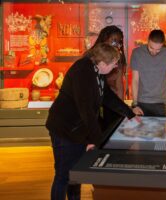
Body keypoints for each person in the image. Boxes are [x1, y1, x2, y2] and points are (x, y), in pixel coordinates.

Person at [46, 43, 139, 200]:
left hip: (78, 128)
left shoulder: (97, 69)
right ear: (103, 63)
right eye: (114, 64)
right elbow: (86, 111)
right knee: (63, 174)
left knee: (75, 174)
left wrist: (129, 113)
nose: (115, 67)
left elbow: (107, 96)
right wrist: (95, 141)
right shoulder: (82, 71)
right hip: (64, 129)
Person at [130, 29, 166, 117]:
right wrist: (134, 104)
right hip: (141, 102)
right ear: (148, 41)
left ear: (163, 44)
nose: (154, 52)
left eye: (158, 50)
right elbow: (135, 80)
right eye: (151, 48)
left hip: (160, 102)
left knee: (160, 130)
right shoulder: (137, 53)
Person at [92, 25, 127, 128]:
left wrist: (122, 109)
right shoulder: (91, 58)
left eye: (119, 42)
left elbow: (119, 86)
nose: (117, 45)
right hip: (93, 104)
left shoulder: (118, 58)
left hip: (110, 102)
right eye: (113, 41)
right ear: (104, 40)